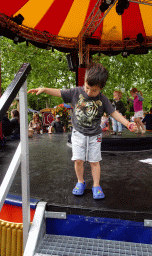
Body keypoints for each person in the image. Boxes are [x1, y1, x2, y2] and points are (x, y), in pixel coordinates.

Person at [28, 63, 136, 200]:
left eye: (94, 90)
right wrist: (44, 89)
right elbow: (59, 91)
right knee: (78, 160)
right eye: (87, 88)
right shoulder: (75, 92)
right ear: (84, 82)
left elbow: (114, 113)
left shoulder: (103, 99)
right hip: (78, 134)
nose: (90, 92)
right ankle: (80, 181)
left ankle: (96, 185)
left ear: (101, 88)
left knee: (94, 161)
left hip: (94, 136)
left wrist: (127, 123)